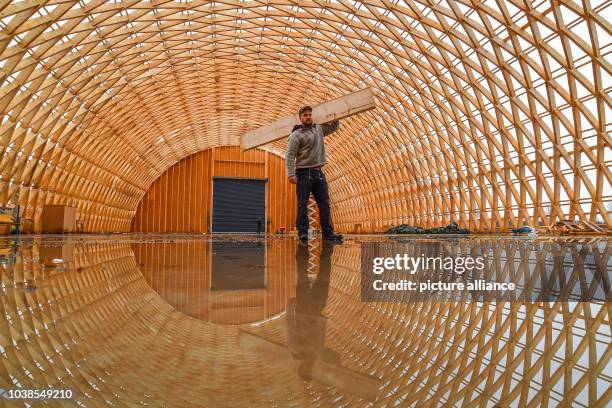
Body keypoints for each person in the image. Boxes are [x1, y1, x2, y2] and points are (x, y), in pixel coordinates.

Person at [285, 105, 344, 242]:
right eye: (305, 115)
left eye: (309, 114)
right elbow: (289, 156)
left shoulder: (318, 129)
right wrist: (291, 174)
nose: (308, 117)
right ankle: (303, 232)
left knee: (324, 204)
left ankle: (328, 234)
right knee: (302, 204)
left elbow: (334, 127)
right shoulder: (296, 135)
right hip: (303, 173)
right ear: (300, 118)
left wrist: (337, 116)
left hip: (318, 173)